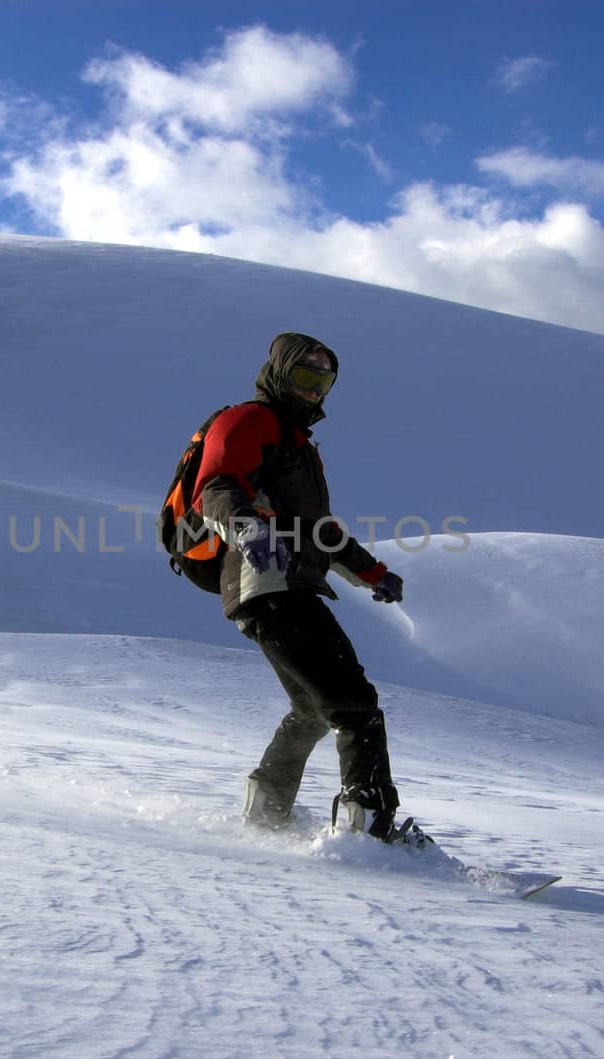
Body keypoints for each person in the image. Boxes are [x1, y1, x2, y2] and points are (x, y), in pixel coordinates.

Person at [192, 332, 410, 841]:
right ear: (280, 373)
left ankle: (264, 812)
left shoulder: (297, 445)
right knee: (354, 703)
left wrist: (374, 573)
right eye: (305, 377)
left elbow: (321, 528)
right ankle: (369, 830)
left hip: (285, 584)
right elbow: (216, 487)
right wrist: (249, 532)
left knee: (313, 708)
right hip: (268, 580)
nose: (314, 391)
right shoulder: (250, 420)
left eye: (324, 381)